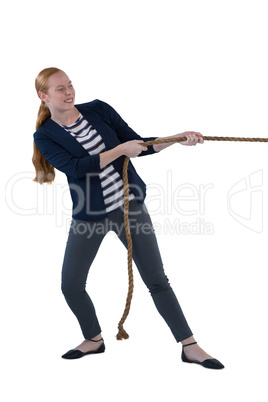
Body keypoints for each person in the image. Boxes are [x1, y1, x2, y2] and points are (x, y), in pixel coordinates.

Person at [32, 67, 224, 369]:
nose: (69, 92)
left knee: (157, 280)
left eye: (70, 85)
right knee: (71, 284)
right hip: (89, 216)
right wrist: (120, 150)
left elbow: (139, 145)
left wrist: (176, 139)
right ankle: (93, 339)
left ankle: (190, 346)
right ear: (43, 97)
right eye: (59, 89)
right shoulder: (45, 136)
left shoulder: (98, 110)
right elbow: (77, 168)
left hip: (129, 206)